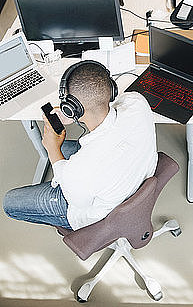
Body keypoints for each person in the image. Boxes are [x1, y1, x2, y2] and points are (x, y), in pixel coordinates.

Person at [3, 61, 158, 230]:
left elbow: (76, 200)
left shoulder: (81, 170)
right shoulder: (137, 102)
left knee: (9, 202)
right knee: (66, 151)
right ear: (111, 90)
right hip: (133, 176)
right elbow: (109, 104)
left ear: (73, 108)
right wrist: (73, 115)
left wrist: (53, 149)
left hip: (94, 214)